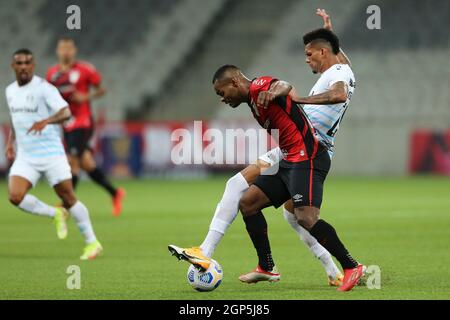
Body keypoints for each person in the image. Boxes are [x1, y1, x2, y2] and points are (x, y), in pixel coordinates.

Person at [169, 9, 359, 288]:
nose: (306, 59)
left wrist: (295, 98)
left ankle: (205, 251)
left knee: (244, 188)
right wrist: (331, 36)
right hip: (294, 151)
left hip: (308, 148)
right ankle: (321, 270)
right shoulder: (341, 68)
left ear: (322, 52)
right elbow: (340, 62)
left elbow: (284, 84)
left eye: (310, 53)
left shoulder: (270, 86)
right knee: (276, 210)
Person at [5, 48, 102, 260]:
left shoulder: (44, 88)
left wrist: (46, 121)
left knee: (67, 195)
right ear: (13, 66)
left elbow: (66, 112)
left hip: (51, 153)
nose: (23, 66)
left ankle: (92, 242)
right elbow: (15, 117)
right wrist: (10, 141)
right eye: (19, 63)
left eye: (27, 63)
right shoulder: (10, 90)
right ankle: (55, 213)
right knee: (15, 196)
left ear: (33, 65)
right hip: (26, 155)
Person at [46, 37, 125, 216]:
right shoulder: (52, 74)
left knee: (73, 162)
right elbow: (47, 95)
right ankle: (115, 193)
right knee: (87, 163)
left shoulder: (85, 70)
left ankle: (66, 205)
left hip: (83, 121)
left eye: (69, 48)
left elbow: (101, 89)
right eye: (62, 48)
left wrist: (85, 97)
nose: (66, 52)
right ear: (58, 51)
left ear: (74, 51)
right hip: (66, 123)